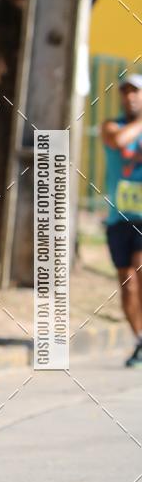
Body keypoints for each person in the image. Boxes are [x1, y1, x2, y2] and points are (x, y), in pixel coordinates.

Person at [101, 73, 142, 367]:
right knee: (127, 284)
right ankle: (139, 339)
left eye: (135, 92)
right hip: (118, 218)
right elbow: (117, 140)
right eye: (125, 92)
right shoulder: (111, 126)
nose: (130, 97)